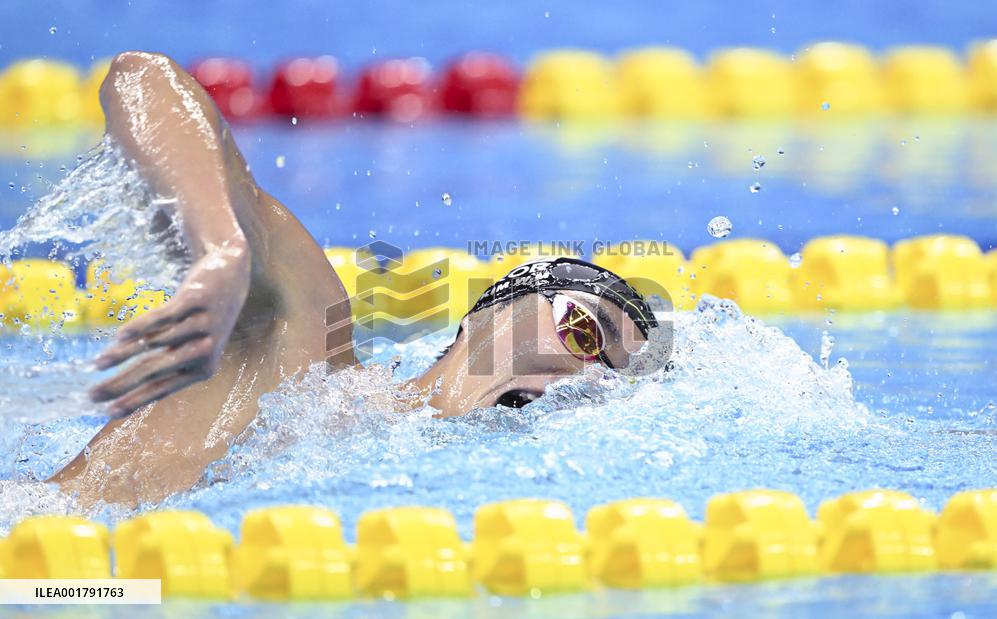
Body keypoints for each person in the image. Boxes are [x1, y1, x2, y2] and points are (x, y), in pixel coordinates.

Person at [51, 52, 661, 506]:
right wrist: (223, 245)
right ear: (488, 315)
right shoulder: (305, 353)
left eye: (609, 382)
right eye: (584, 331)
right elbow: (143, 78)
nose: (586, 377)